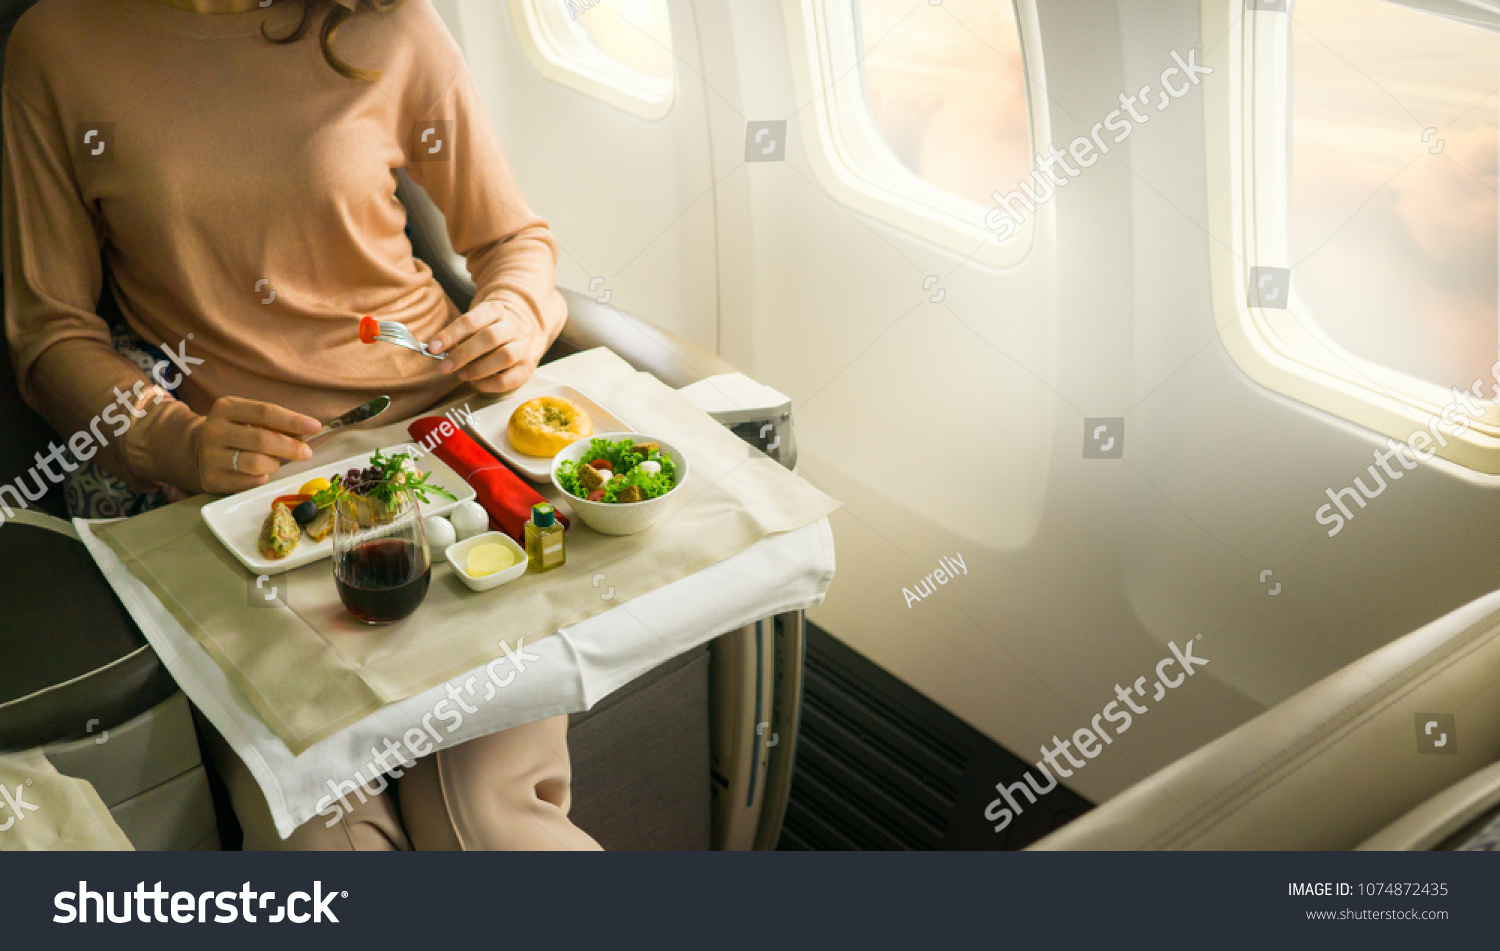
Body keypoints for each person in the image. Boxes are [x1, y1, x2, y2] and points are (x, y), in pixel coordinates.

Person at [2, 0, 600, 850]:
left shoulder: (390, 24)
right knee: (328, 847)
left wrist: (513, 315)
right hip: (252, 502)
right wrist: (176, 440)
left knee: (490, 820)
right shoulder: (58, 44)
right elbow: (48, 336)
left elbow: (515, 243)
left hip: (438, 445)